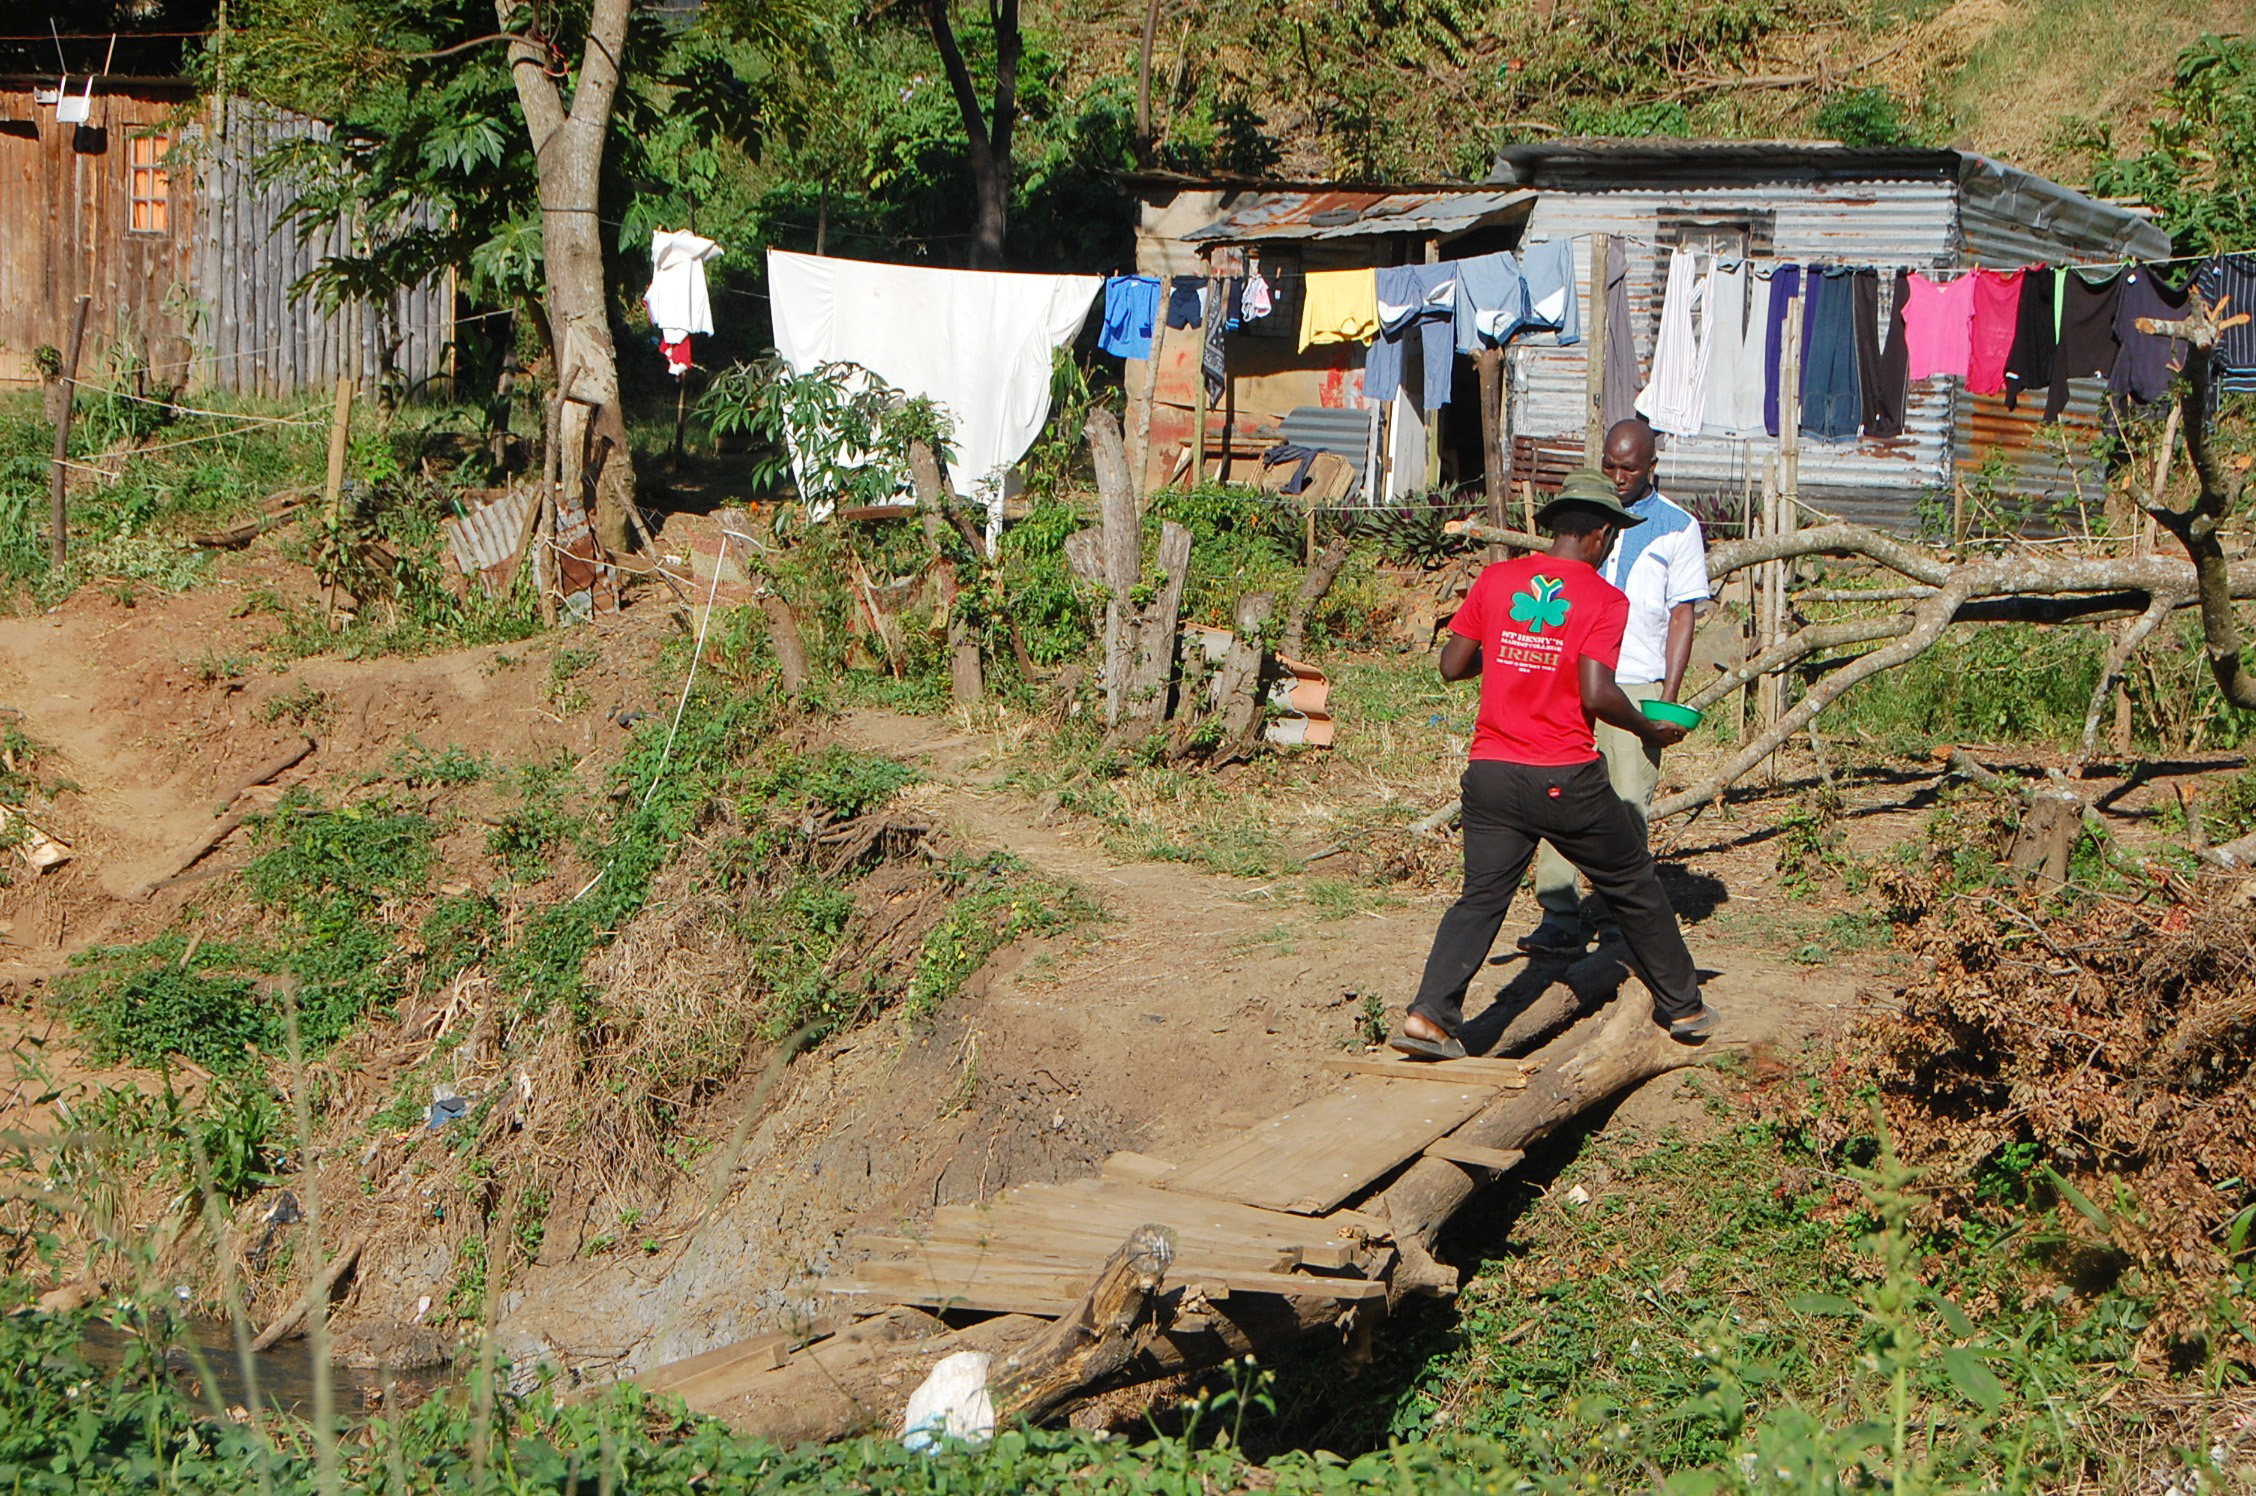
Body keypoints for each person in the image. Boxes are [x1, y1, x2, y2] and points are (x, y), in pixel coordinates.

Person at [1393, 467, 1716, 1059]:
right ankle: (1684, 1005)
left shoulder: (1496, 580)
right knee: (1632, 880)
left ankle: (1429, 1016)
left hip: (1490, 773)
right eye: (1613, 535)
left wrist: (1512, 657)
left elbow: (1452, 665)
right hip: (1563, 774)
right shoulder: (1603, 598)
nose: (1613, 543)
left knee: (1482, 896)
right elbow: (1596, 693)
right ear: (1597, 535)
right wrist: (1648, 726)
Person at [1519, 419, 1710, 958]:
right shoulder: (1584, 516)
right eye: (1610, 464)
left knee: (1626, 804)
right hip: (1571, 677)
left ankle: (1614, 918)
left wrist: (1666, 698)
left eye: (1630, 468)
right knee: (1561, 796)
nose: (1619, 476)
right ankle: (1558, 914)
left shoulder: (1677, 528)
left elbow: (1681, 616)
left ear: (1652, 467)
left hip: (1634, 679)